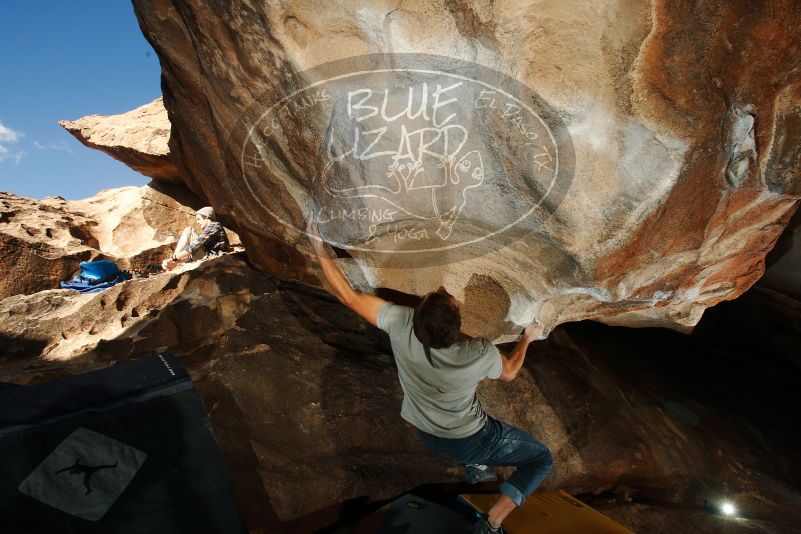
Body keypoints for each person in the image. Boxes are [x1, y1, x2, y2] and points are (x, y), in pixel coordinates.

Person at [306, 215, 552, 534]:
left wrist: (317, 246)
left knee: (456, 422)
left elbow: (348, 296)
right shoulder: (477, 352)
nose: (440, 288)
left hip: (425, 431)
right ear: (457, 325)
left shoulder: (400, 322)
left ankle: (475, 467)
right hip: (468, 438)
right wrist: (527, 338)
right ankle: (491, 524)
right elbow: (509, 373)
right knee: (540, 459)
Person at [162, 206, 229, 271]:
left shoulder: (214, 225)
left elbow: (194, 246)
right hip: (211, 257)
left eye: (198, 219)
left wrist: (172, 259)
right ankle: (174, 261)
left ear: (206, 217)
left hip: (215, 259)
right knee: (191, 239)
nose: (197, 222)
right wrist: (177, 262)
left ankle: (174, 259)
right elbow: (195, 253)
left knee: (189, 230)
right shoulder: (212, 228)